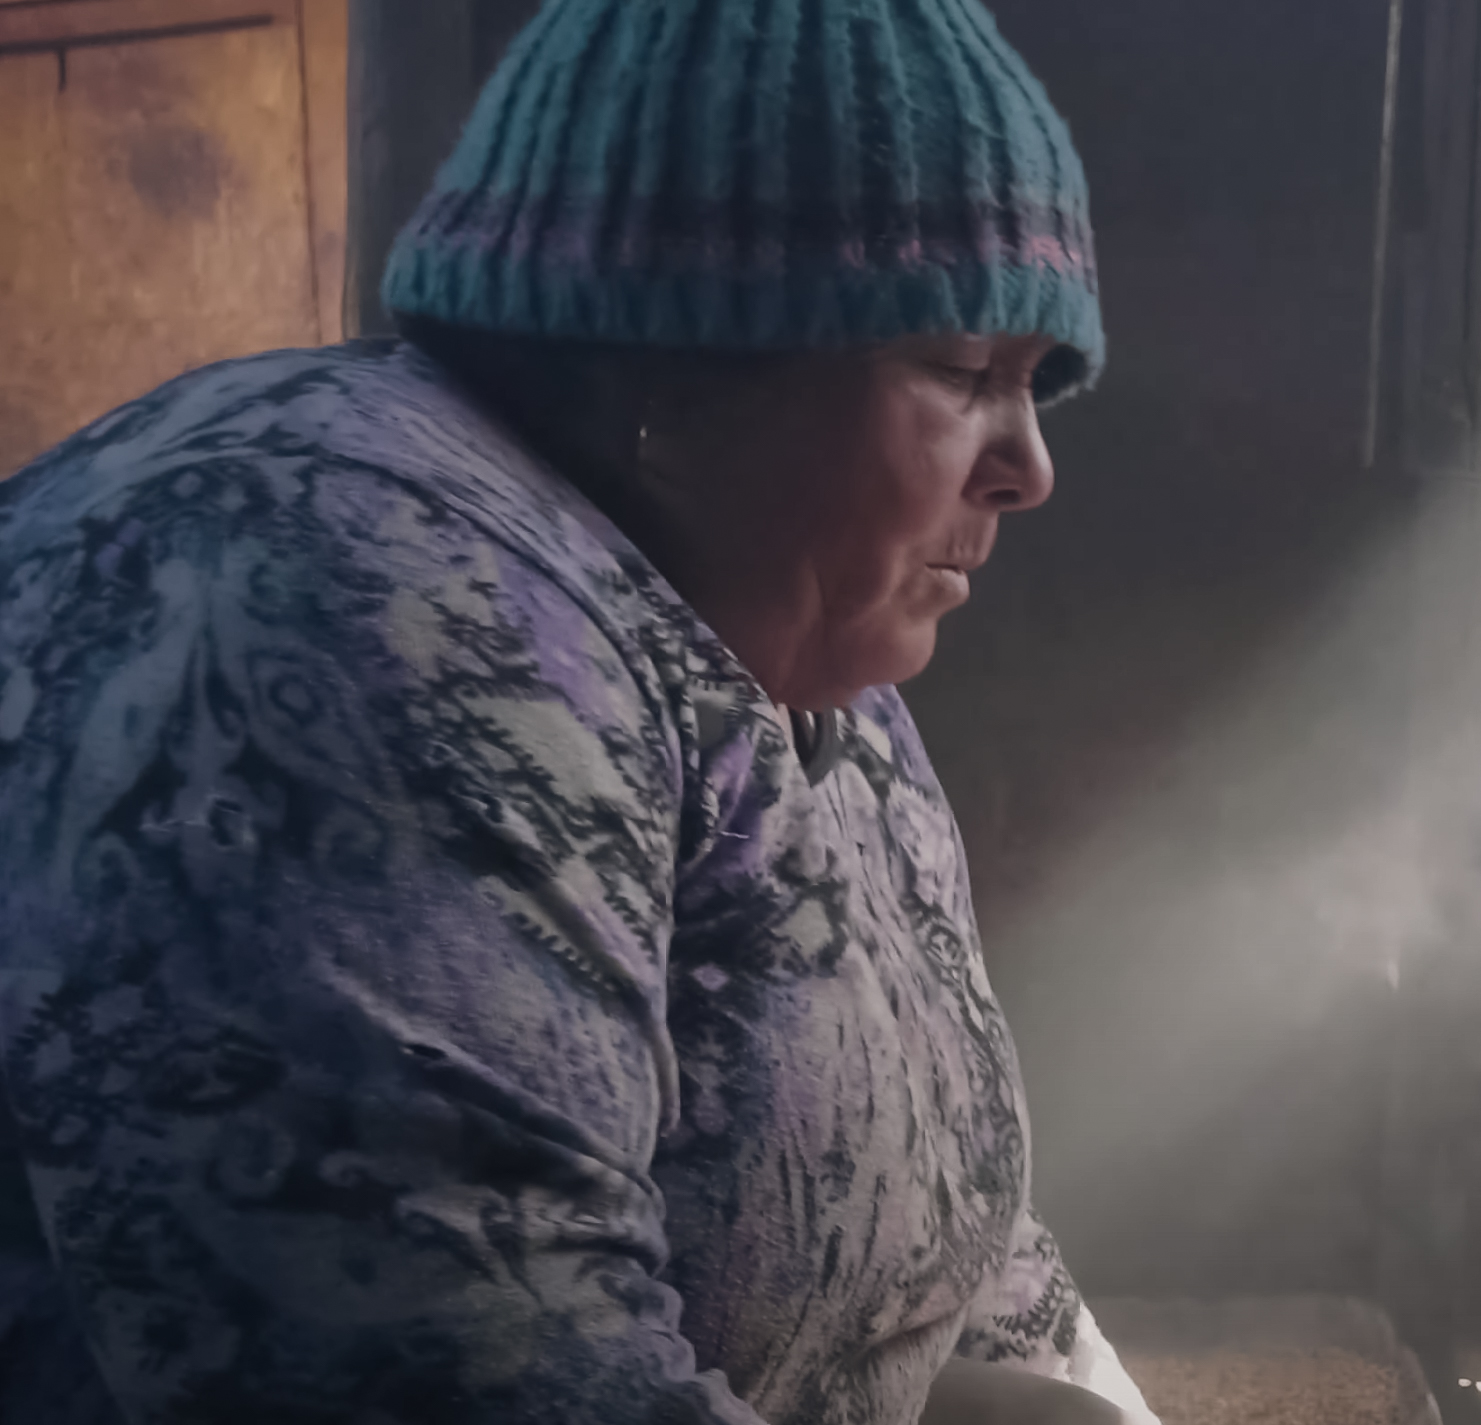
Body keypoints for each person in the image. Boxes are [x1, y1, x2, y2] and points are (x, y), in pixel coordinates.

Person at [0, 2, 1157, 1422]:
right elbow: (456, 1375)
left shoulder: (775, 642)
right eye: (966, 372)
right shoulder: (359, 595)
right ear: (680, 358)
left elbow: (957, 1221)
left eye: (1035, 385)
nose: (1030, 469)